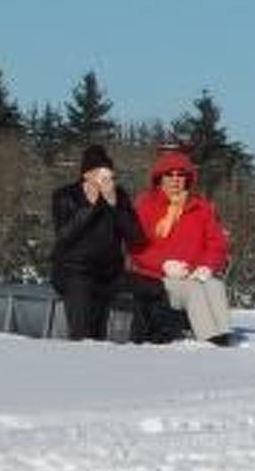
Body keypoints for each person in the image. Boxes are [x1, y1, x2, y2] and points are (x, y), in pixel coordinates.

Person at [128, 148, 238, 346]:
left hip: (194, 274)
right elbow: (136, 247)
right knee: (193, 290)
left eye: (181, 175)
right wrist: (164, 264)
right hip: (157, 279)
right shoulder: (146, 206)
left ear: (188, 179)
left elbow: (217, 244)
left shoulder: (201, 207)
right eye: (169, 175)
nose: (175, 179)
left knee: (215, 285)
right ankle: (210, 339)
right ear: (160, 178)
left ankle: (224, 336)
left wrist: (207, 267)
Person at [50, 144, 145, 341]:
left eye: (106, 172)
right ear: (86, 174)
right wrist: (89, 207)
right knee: (83, 331)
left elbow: (135, 236)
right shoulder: (65, 195)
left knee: (153, 290)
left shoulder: (119, 196)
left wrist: (115, 206)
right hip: (74, 271)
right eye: (96, 172)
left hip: (109, 273)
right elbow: (64, 236)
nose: (102, 178)